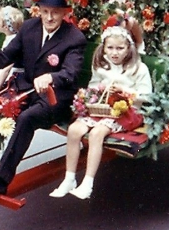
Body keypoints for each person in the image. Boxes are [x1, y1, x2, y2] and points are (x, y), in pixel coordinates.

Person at [0, 0, 87, 196]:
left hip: (56, 97)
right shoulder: (29, 28)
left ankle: (1, 180)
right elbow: (4, 57)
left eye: (55, 12)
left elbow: (70, 73)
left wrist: (51, 77)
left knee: (27, 118)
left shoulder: (74, 38)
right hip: (26, 88)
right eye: (45, 11)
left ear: (65, 12)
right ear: (39, 11)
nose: (50, 17)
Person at [50, 22, 152, 200]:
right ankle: (69, 178)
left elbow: (147, 96)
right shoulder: (101, 66)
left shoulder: (138, 68)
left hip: (125, 112)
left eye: (120, 48)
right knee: (74, 130)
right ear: (104, 48)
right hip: (102, 108)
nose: (114, 53)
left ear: (129, 48)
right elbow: (93, 85)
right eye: (110, 48)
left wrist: (126, 94)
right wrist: (94, 93)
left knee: (97, 134)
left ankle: (88, 182)